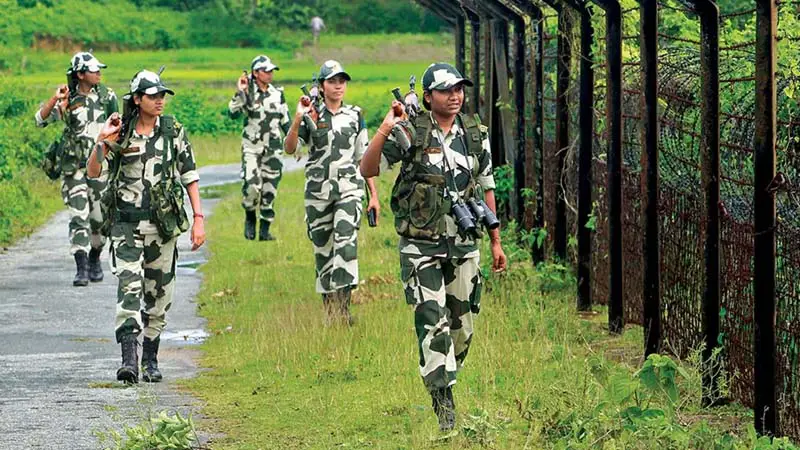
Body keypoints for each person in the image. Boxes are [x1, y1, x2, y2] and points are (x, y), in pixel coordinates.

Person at [360, 62, 507, 432]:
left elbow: (487, 185)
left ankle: (442, 375)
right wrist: (385, 128)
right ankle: (444, 405)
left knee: (462, 329)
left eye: (459, 88)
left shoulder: (475, 134)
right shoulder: (410, 131)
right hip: (420, 246)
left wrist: (495, 241)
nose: (455, 96)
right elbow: (367, 168)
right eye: (445, 90)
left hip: (463, 244)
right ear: (428, 97)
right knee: (433, 323)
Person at [87, 69, 205, 384]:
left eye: (162, 95)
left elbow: (189, 175)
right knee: (129, 289)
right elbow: (94, 170)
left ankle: (151, 359)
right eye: (152, 96)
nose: (159, 101)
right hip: (126, 227)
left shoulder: (173, 131)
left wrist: (198, 219)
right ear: (137, 99)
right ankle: (129, 361)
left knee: (159, 297)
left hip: (163, 228)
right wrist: (102, 140)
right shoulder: (120, 132)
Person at [284, 60, 379, 325]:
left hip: (349, 189)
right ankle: (330, 311)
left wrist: (373, 195)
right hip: (318, 192)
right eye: (332, 81)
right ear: (322, 85)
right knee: (323, 249)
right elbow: (290, 148)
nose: (338, 86)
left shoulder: (355, 115)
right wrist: (297, 118)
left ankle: (344, 309)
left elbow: (364, 157)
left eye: (342, 81)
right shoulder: (311, 115)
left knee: (346, 244)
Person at [35, 52, 118, 286]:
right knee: (78, 216)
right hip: (74, 168)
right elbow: (40, 120)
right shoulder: (67, 99)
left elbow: (117, 125)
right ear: (81, 74)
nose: (99, 73)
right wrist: (55, 100)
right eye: (94, 70)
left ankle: (95, 256)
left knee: (100, 219)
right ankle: (81, 267)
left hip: (100, 166)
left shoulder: (107, 96)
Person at [229, 55, 290, 241]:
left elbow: (285, 120)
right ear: (255, 73)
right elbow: (232, 113)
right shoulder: (247, 92)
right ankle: (249, 216)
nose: (270, 74)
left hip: (273, 148)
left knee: (270, 189)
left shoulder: (277, 93)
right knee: (252, 184)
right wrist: (240, 92)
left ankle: (265, 230)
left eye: (272, 71)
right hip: (252, 147)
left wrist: (294, 142)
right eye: (266, 71)